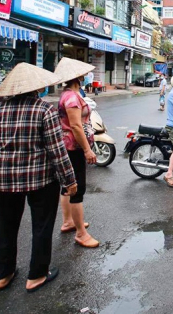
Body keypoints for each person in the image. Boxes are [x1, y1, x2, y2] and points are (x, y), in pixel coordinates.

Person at [0, 63, 77, 292]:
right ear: (37, 88)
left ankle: (3, 274)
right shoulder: (44, 109)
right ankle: (36, 275)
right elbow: (57, 151)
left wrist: (4, 168)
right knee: (42, 226)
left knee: (5, 226)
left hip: (4, 181)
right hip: (41, 180)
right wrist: (70, 181)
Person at [54, 57, 99, 248]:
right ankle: (81, 233)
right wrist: (88, 150)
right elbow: (76, 126)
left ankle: (69, 222)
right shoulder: (72, 97)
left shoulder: (70, 94)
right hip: (74, 147)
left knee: (68, 186)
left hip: (68, 145)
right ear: (77, 76)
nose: (86, 75)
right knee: (77, 189)